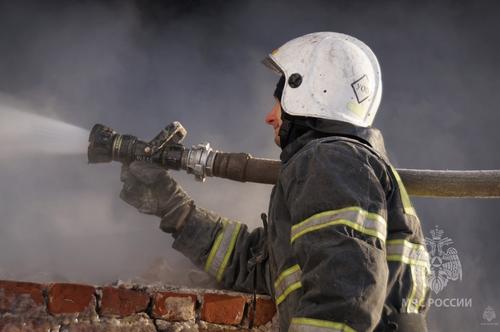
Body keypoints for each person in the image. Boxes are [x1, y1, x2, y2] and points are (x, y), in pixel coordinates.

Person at [120, 32, 431, 331]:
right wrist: (173, 208)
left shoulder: (330, 161)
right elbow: (256, 265)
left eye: (278, 101)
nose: (270, 116)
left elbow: (344, 294)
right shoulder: (344, 167)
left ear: (311, 92)